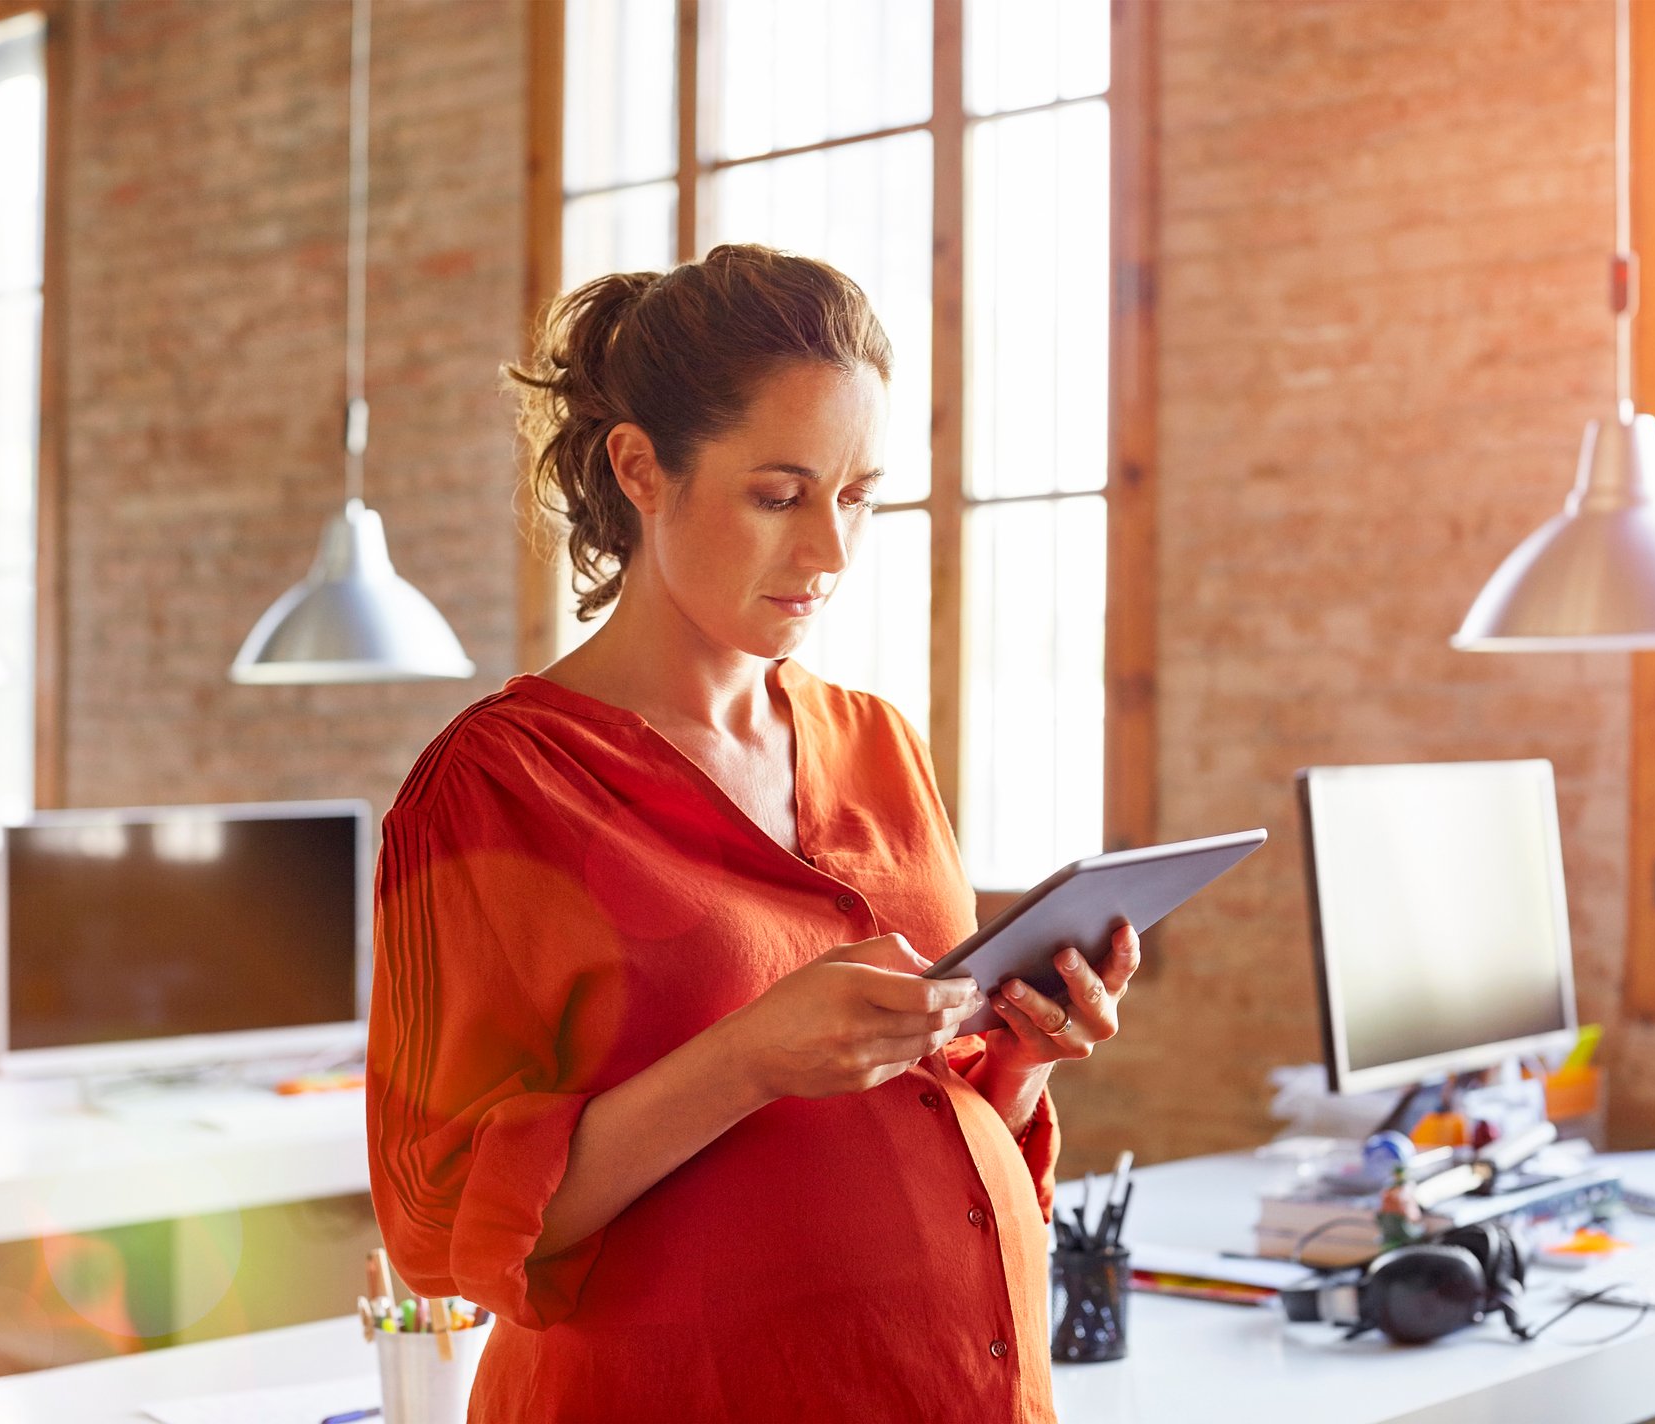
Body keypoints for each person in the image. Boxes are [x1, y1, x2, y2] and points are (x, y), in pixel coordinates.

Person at [366, 244, 1143, 1422]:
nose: (830, 551)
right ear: (640, 468)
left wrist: (1024, 1052)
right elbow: (433, 1221)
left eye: (858, 495)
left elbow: (936, 1098)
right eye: (778, 495)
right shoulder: (496, 785)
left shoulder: (879, 740)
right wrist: (742, 1060)